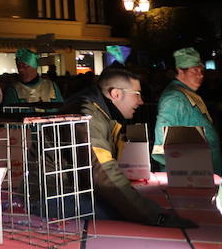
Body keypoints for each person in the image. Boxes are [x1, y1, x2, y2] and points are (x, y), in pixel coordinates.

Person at [69, 67, 195, 227]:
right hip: (57, 196)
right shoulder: (89, 117)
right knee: (127, 212)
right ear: (116, 94)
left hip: (72, 189)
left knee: (136, 204)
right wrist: (155, 216)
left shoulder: (102, 111)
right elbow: (104, 175)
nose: (141, 101)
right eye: (137, 94)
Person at [152, 47, 222, 173]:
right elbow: (162, 140)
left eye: (201, 71)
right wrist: (180, 175)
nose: (200, 75)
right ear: (180, 70)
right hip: (192, 176)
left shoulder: (185, 93)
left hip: (201, 173)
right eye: (194, 70)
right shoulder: (174, 98)